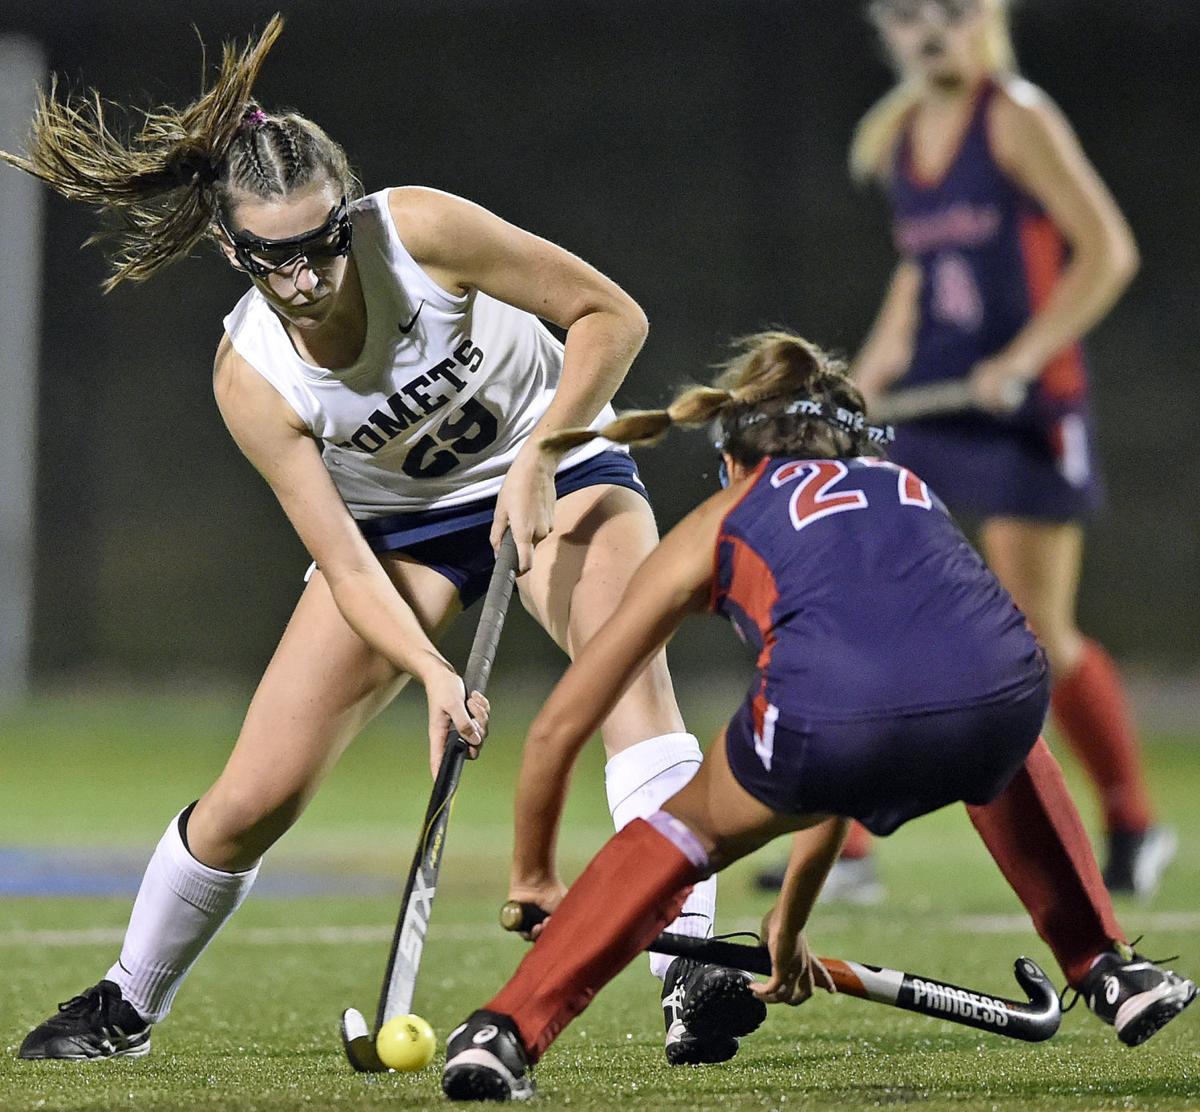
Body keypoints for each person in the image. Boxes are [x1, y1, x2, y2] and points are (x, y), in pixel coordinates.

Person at [3, 16, 742, 1066]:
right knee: (256, 793)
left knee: (631, 678)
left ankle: (690, 973)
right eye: (275, 260)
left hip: (556, 462)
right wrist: (435, 676)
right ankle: (128, 1001)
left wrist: (543, 454)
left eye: (321, 247)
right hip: (398, 531)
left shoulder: (421, 232)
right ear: (233, 250)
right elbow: (348, 564)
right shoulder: (251, 379)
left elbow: (611, 317)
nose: (305, 279)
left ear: (346, 215)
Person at [438, 333, 1195, 1102]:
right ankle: (1108, 966)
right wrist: (790, 923)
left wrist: (534, 875)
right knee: (1001, 740)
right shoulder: (902, 484)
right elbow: (877, 729)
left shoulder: (725, 512)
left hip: (829, 722)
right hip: (1005, 692)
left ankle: (504, 1033)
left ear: (734, 456)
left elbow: (559, 727)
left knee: (679, 833)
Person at [783, 0, 1173, 901]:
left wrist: (1026, 357)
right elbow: (919, 277)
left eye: (951, 11)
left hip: (1027, 410)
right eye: (906, 14)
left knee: (1041, 640)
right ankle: (845, 850)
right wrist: (864, 381)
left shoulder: (1018, 117)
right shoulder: (899, 137)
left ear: (987, 15)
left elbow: (1107, 251)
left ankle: (1131, 821)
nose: (929, 31)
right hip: (938, 402)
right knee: (865, 604)